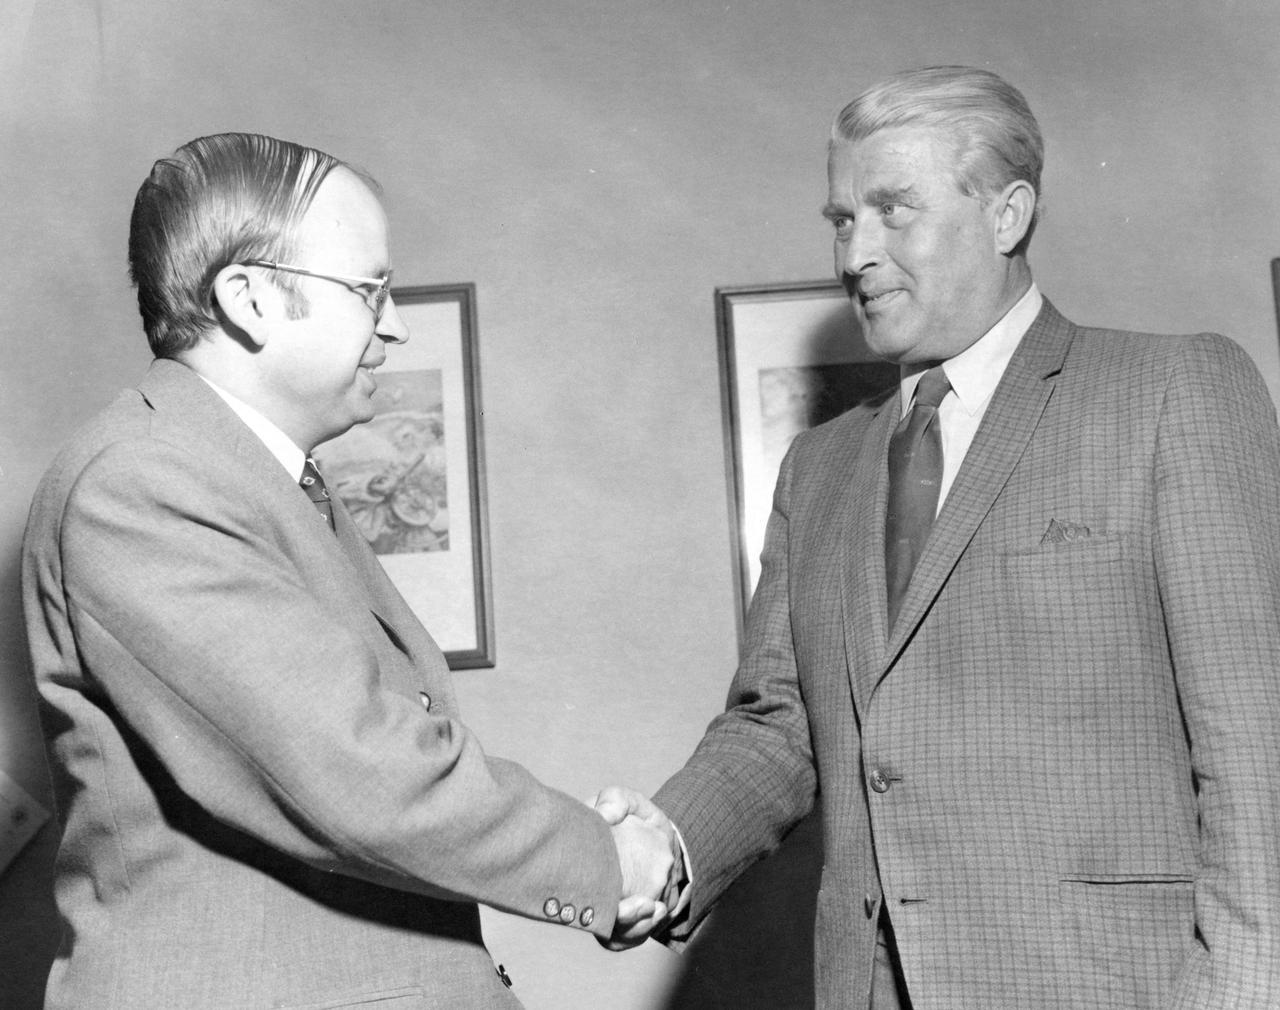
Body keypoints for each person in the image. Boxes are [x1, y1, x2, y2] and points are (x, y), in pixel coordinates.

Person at [598, 66, 1280, 1008]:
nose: (854, 253)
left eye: (892, 210)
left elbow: (1261, 759)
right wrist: (665, 846)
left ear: (1007, 216)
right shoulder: (819, 468)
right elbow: (778, 727)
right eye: (842, 218)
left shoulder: (1170, 394)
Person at [22, 133, 674, 1010]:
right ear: (248, 298)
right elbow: (361, 773)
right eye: (370, 290)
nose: (396, 321)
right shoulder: (143, 483)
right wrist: (607, 858)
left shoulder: (253, 476)